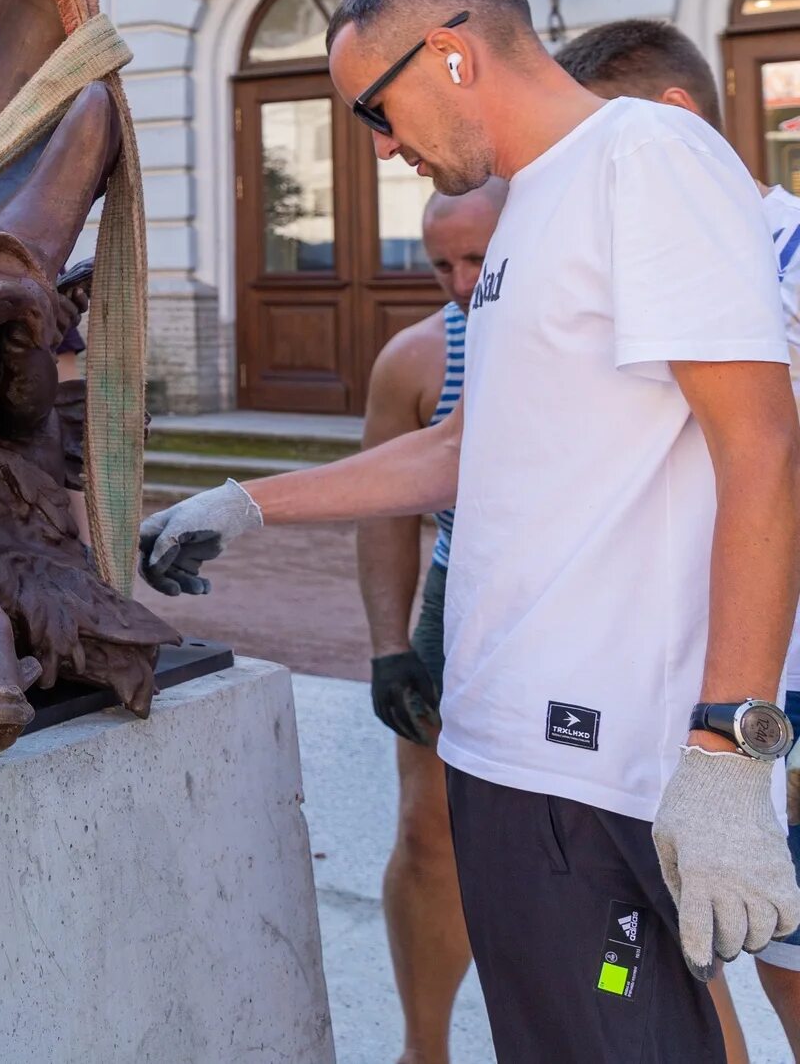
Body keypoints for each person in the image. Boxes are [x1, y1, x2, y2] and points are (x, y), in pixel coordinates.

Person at [139, 0, 800, 1064]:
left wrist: (731, 751)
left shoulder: (643, 154)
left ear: (448, 51)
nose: (382, 147)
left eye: (374, 110)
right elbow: (463, 447)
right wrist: (250, 502)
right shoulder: (532, 202)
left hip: (592, 763)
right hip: (504, 752)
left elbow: (762, 446)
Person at [554, 16, 800, 1062]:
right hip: (690, 678)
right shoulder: (643, 274)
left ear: (669, 122)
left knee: (787, 959)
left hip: (766, 698)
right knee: (675, 959)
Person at [355, 179, 501, 1064]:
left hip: (584, 607)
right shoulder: (415, 359)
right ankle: (425, 1050)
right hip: (461, 598)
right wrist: (389, 648)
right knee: (427, 832)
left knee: (615, 847)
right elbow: (383, 511)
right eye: (441, 262)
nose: (458, 280)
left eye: (478, 258)